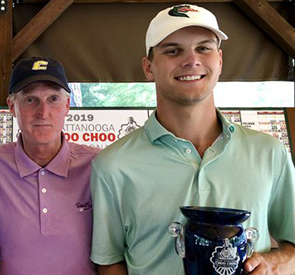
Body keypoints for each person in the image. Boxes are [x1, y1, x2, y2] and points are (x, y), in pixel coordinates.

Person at [90, 4, 295, 275]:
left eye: (204, 48)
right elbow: (109, 262)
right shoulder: (112, 166)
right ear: (148, 67)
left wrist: (275, 263)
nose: (191, 60)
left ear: (219, 61)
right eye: (173, 50)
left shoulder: (269, 153)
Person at [0, 56, 100, 274]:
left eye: (53, 99)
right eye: (31, 100)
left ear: (67, 105)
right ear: (12, 106)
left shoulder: (97, 164)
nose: (43, 112)